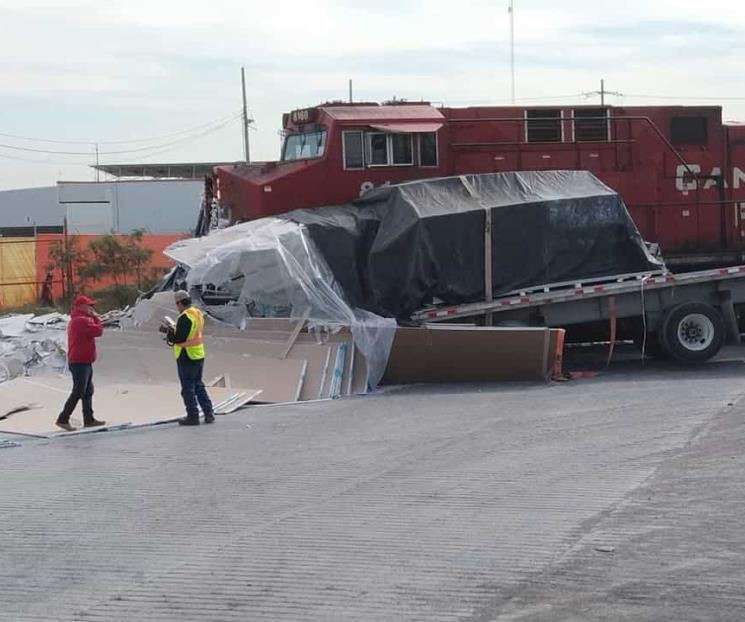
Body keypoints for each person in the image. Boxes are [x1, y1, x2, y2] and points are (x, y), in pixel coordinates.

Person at [159, 290, 215, 426]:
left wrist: (168, 331)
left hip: (186, 355)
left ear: (179, 302)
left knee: (188, 388)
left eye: (176, 304)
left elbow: (179, 338)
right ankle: (208, 413)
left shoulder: (185, 317)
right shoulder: (197, 313)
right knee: (198, 385)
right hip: (198, 354)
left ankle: (193, 416)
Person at [56, 295, 105, 430]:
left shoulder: (80, 320)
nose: (91, 308)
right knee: (79, 391)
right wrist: (96, 318)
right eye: (89, 306)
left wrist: (93, 318)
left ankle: (88, 419)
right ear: (81, 307)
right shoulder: (81, 321)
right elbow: (98, 331)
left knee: (88, 390)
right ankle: (63, 418)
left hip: (83, 360)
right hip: (79, 361)